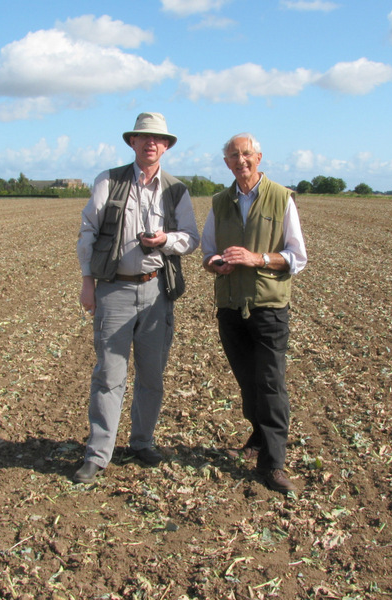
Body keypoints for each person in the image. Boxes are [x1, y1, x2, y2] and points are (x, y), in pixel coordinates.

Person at [74, 112, 200, 484]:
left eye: (158, 139)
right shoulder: (109, 181)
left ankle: (142, 441)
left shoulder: (176, 189)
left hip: (157, 290)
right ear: (132, 142)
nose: (150, 143)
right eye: (143, 137)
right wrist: (87, 282)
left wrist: (166, 240)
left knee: (151, 375)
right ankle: (98, 454)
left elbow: (191, 238)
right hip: (113, 289)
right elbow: (87, 232)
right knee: (109, 375)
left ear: (166, 146)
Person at [201, 133, 307, 494]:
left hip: (269, 307)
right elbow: (207, 252)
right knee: (247, 382)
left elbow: (297, 257)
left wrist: (257, 259)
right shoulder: (219, 202)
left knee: (271, 383)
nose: (240, 160)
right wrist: (217, 265)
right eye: (233, 156)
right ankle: (258, 439)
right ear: (227, 163)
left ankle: (273, 463)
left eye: (246, 154)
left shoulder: (281, 198)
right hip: (230, 306)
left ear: (259, 157)